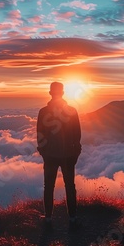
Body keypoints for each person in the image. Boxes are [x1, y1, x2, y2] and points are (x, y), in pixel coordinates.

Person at [37, 82, 82, 230]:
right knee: (70, 186)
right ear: (63, 93)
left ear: (50, 93)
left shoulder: (43, 112)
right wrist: (76, 151)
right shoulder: (71, 111)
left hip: (50, 155)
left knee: (48, 186)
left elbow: (40, 135)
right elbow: (77, 135)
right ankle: (73, 218)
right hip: (69, 155)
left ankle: (48, 218)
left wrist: (43, 152)